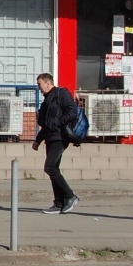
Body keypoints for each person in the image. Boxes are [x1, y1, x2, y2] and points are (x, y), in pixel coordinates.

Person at [33, 73, 81, 214]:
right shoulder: (47, 99)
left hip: (60, 137)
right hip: (50, 137)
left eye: (39, 84)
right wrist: (38, 139)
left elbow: (72, 112)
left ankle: (70, 196)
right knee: (54, 169)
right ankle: (58, 203)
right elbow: (46, 124)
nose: (39, 87)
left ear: (48, 83)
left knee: (50, 167)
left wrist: (57, 123)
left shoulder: (61, 93)